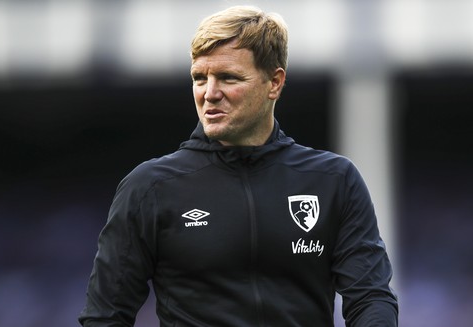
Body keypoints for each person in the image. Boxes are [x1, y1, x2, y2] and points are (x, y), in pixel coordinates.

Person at [79, 5, 398, 326]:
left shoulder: (333, 180)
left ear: (274, 83)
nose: (210, 93)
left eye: (228, 77)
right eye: (199, 78)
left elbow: (370, 296)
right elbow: (106, 316)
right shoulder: (149, 187)